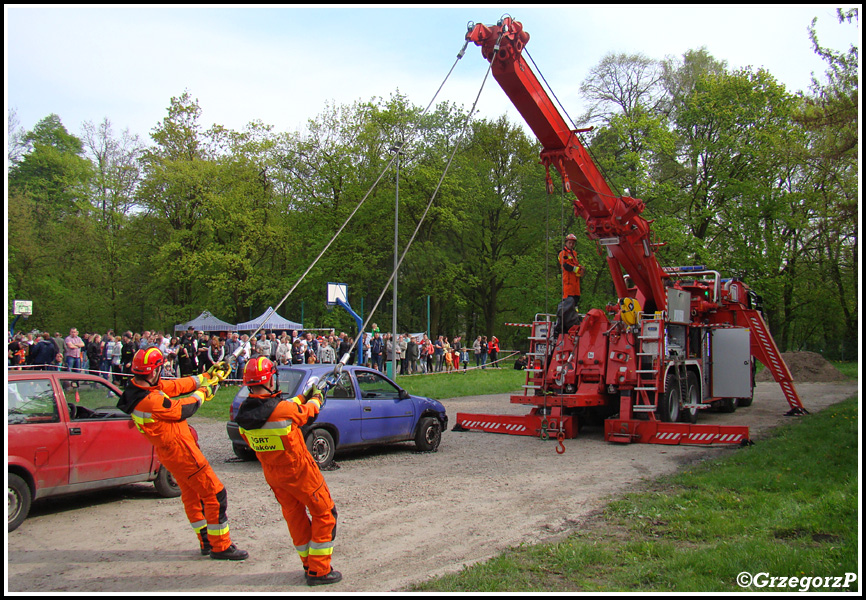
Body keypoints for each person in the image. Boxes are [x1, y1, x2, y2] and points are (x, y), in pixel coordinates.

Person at [116, 348, 248, 560]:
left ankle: (206, 541)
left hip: (169, 453)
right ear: (154, 371)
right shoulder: (150, 400)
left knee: (192, 494)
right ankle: (220, 546)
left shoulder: (139, 388)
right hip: (182, 452)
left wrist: (207, 376)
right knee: (215, 494)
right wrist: (205, 391)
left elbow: (177, 385)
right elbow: (185, 408)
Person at [235, 357, 341, 585]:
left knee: (295, 518)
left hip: (274, 476)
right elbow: (308, 413)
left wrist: (304, 395)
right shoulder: (283, 411)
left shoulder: (243, 416)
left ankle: (308, 564)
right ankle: (320, 570)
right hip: (300, 472)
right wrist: (318, 395)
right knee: (325, 513)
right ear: (269, 380)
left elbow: (278, 408)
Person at [559, 233, 585, 309]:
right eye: (569, 243)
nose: (571, 245)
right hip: (568, 282)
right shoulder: (563, 253)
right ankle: (568, 317)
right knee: (568, 301)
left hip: (575, 283)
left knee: (576, 301)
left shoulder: (574, 253)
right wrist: (578, 270)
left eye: (573, 243)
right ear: (566, 243)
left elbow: (575, 265)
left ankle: (575, 316)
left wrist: (581, 269)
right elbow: (566, 266)